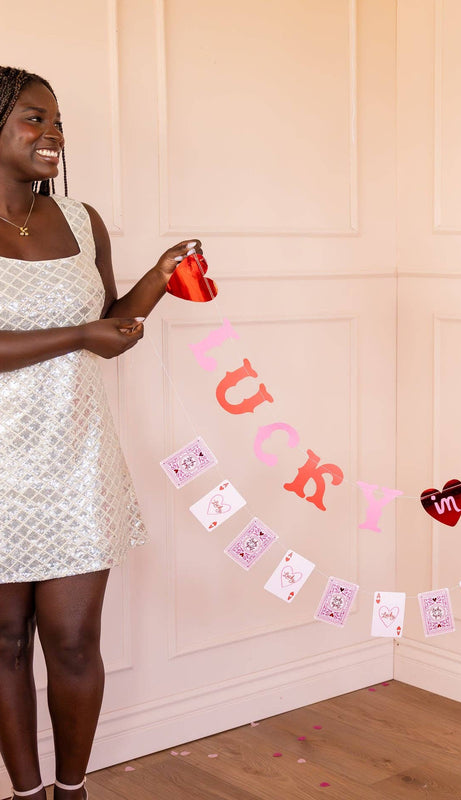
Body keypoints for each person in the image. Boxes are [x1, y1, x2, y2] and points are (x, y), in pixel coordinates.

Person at [0, 66, 201, 800]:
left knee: (76, 642)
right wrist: (81, 332)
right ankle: (26, 795)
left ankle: (73, 790)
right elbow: (78, 332)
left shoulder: (81, 220)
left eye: (56, 122)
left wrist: (156, 279)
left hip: (78, 454)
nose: (52, 134)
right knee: (4, 641)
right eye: (32, 118)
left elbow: (109, 317)